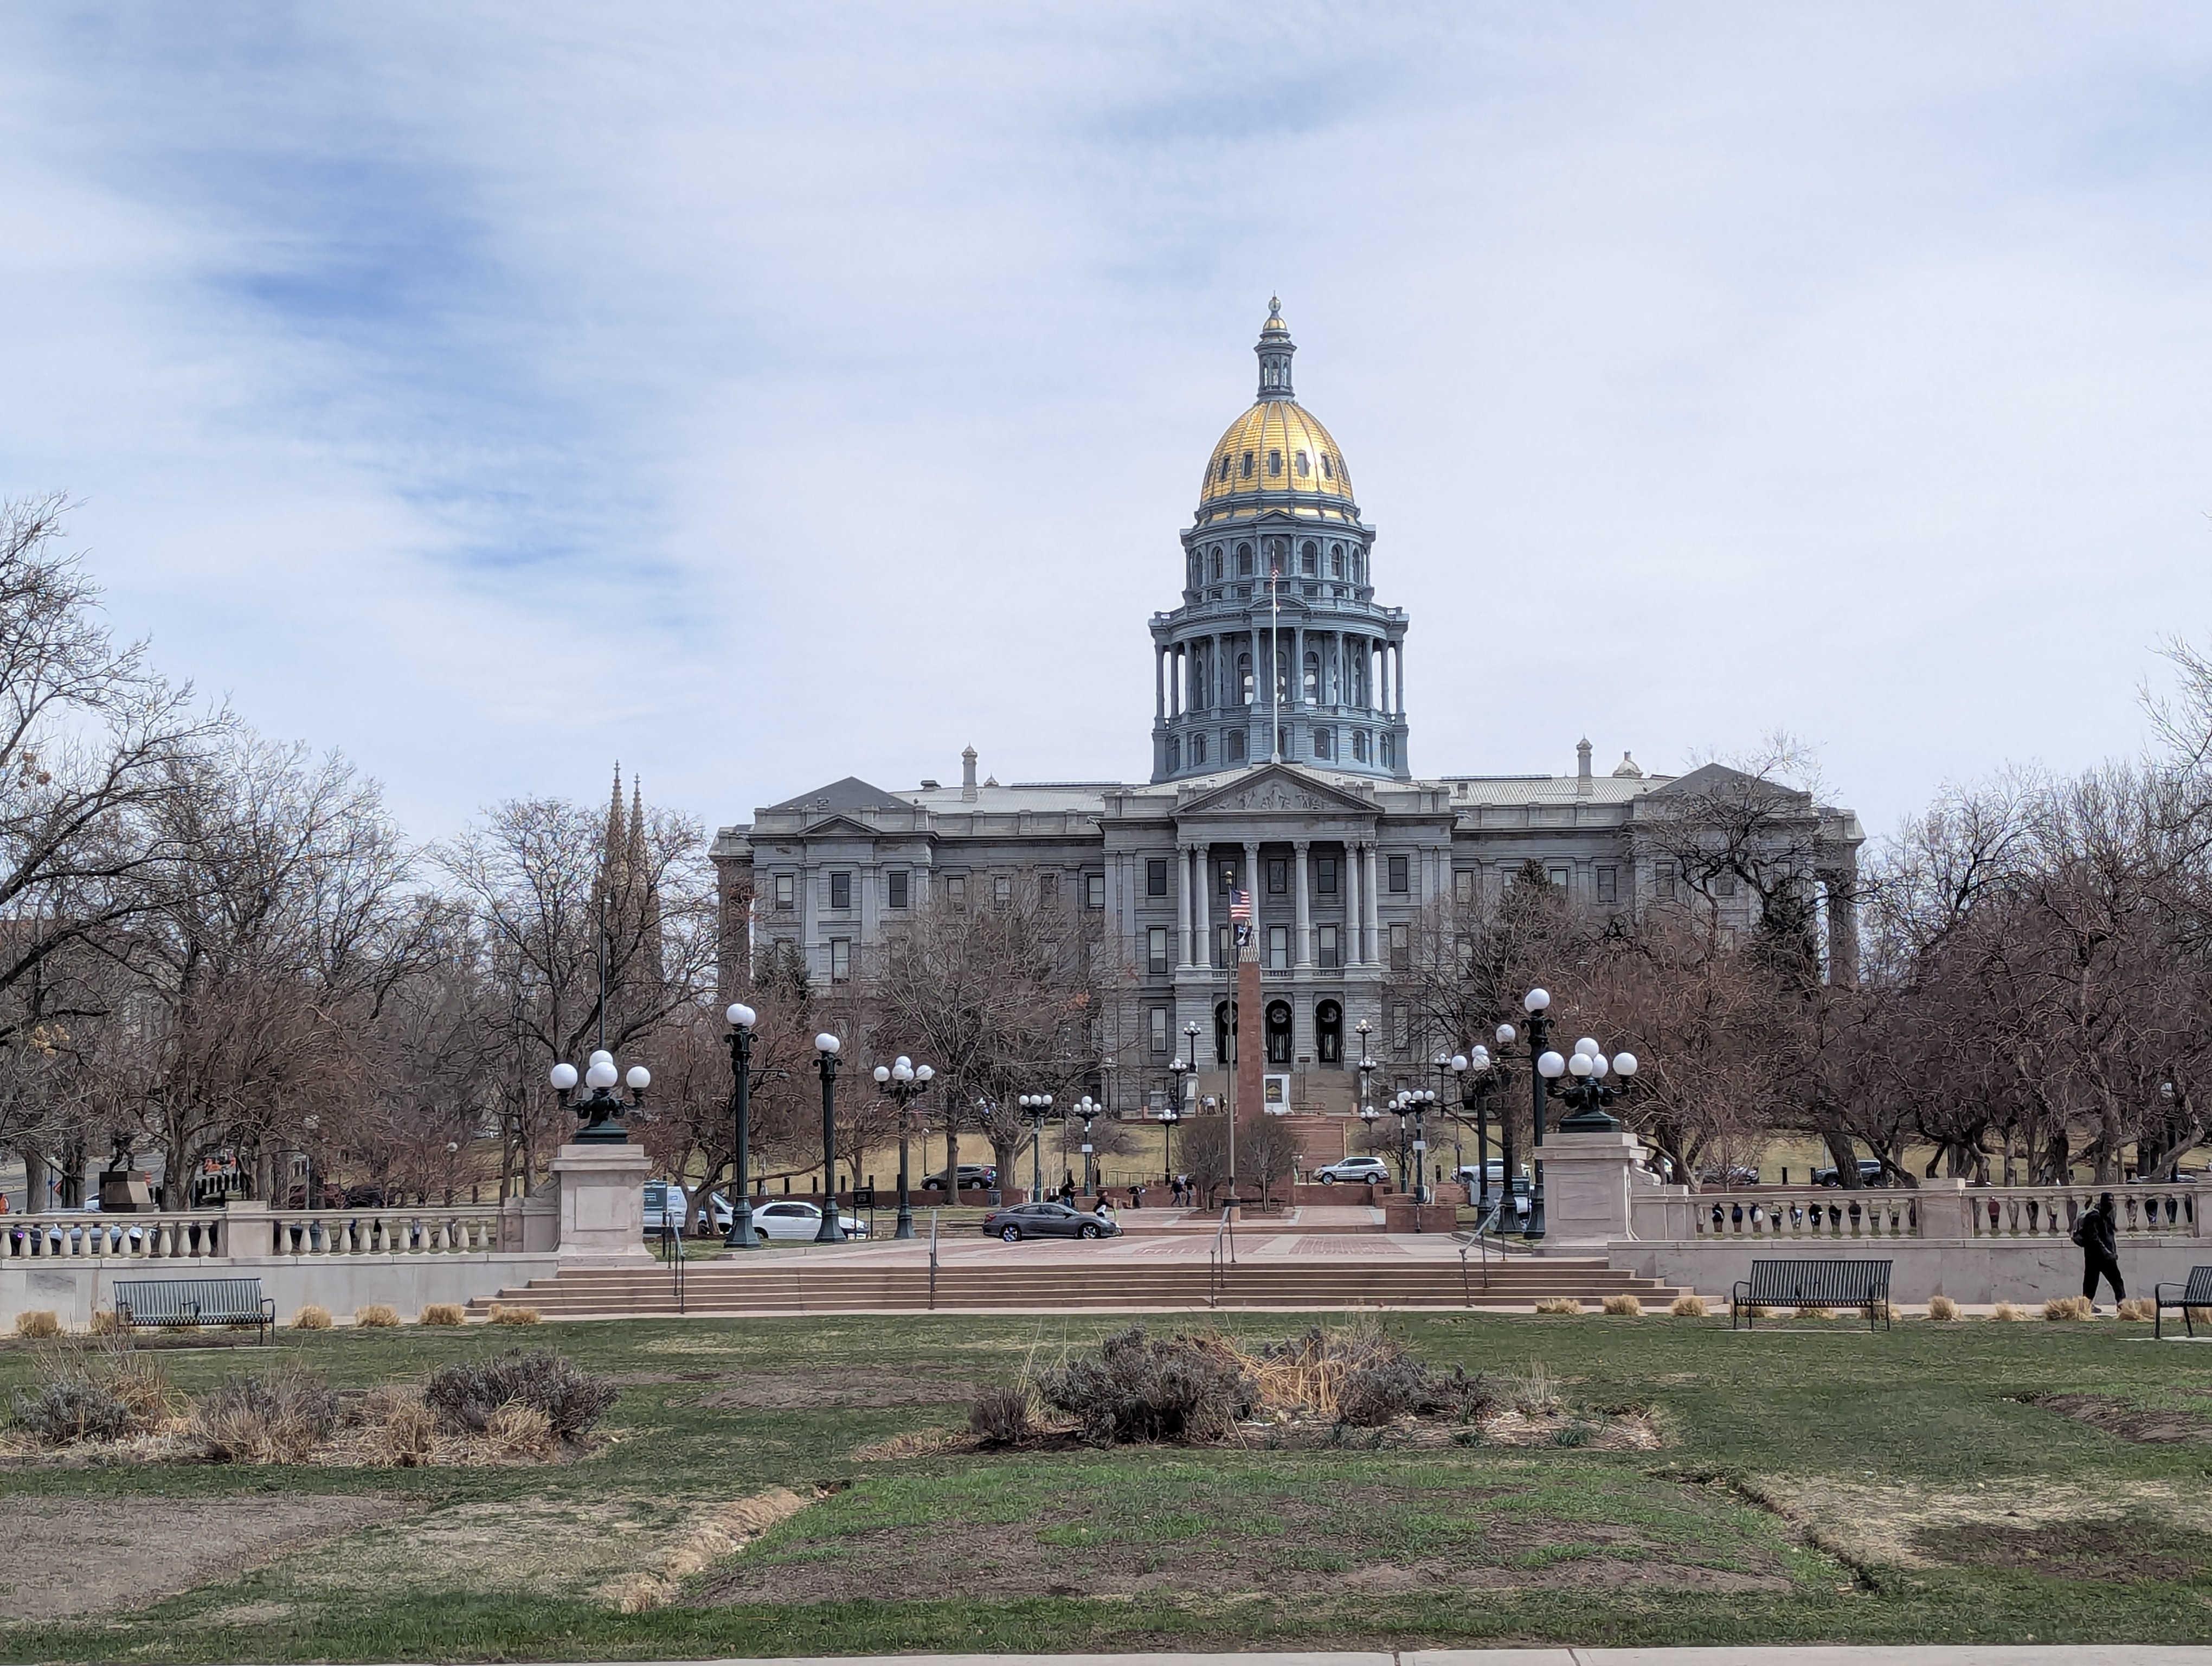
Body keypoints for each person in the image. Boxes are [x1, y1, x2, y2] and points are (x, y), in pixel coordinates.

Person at [2073, 1191, 2125, 1312]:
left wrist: (2111, 1251)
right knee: (2095, 1282)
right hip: (2097, 1256)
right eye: (2109, 1201)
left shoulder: (2108, 1216)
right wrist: (2106, 1252)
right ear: (2103, 1202)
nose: (2111, 1203)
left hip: (2104, 1255)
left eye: (2113, 1200)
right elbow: (2093, 1238)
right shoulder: (2094, 1217)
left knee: (2113, 1281)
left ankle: (2120, 1304)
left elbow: (2109, 1236)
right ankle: (2087, 1306)